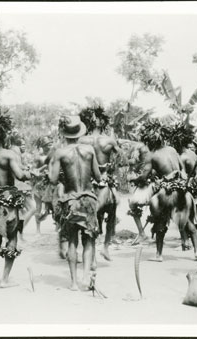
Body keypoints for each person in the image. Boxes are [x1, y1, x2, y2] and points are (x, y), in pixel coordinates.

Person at [131, 120, 197, 262]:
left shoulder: (151, 155)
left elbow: (145, 176)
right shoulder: (172, 149)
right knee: (188, 221)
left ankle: (159, 255)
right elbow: (182, 169)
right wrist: (181, 181)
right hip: (182, 187)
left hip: (167, 191)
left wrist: (135, 178)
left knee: (160, 222)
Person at [0, 112, 33, 288]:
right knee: (11, 239)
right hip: (8, 200)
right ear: (4, 136)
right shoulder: (9, 155)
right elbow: (20, 175)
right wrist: (30, 173)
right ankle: (4, 279)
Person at [50, 115, 101, 291]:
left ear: (64, 133)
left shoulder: (60, 153)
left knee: (72, 241)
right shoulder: (90, 150)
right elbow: (98, 176)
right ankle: (85, 277)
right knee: (89, 240)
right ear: (80, 132)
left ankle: (73, 283)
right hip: (88, 199)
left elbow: (53, 179)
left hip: (70, 200)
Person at [79, 106, 121, 261]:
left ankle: (84, 248)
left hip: (86, 180)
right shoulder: (109, 140)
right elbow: (121, 159)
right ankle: (105, 246)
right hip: (103, 179)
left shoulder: (82, 140)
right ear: (103, 121)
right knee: (113, 210)